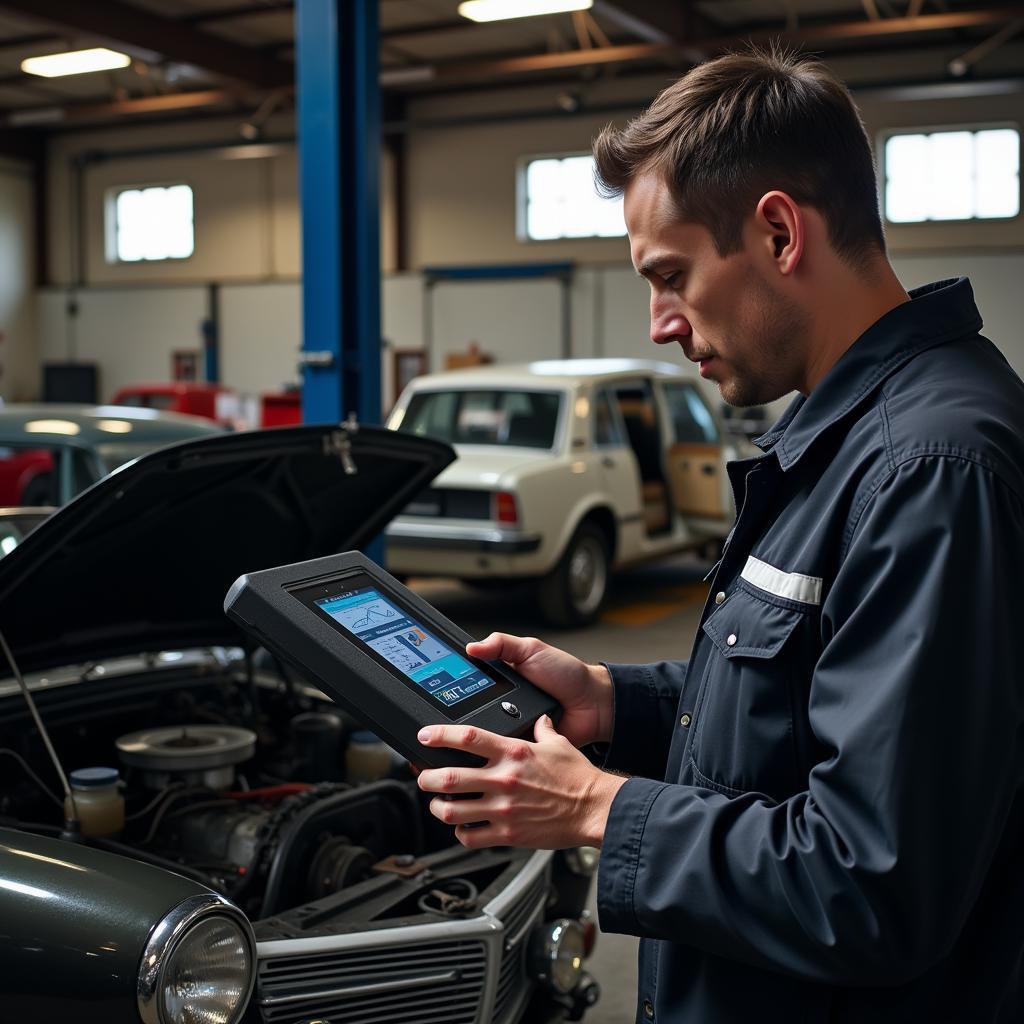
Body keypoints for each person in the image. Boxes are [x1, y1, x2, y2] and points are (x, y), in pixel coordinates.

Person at [416, 47, 1023, 1023]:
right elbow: (803, 706)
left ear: (779, 232)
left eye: (670, 275)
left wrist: (600, 809)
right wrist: (616, 702)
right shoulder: (850, 440)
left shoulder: (929, 469)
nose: (658, 322)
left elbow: (871, 886)